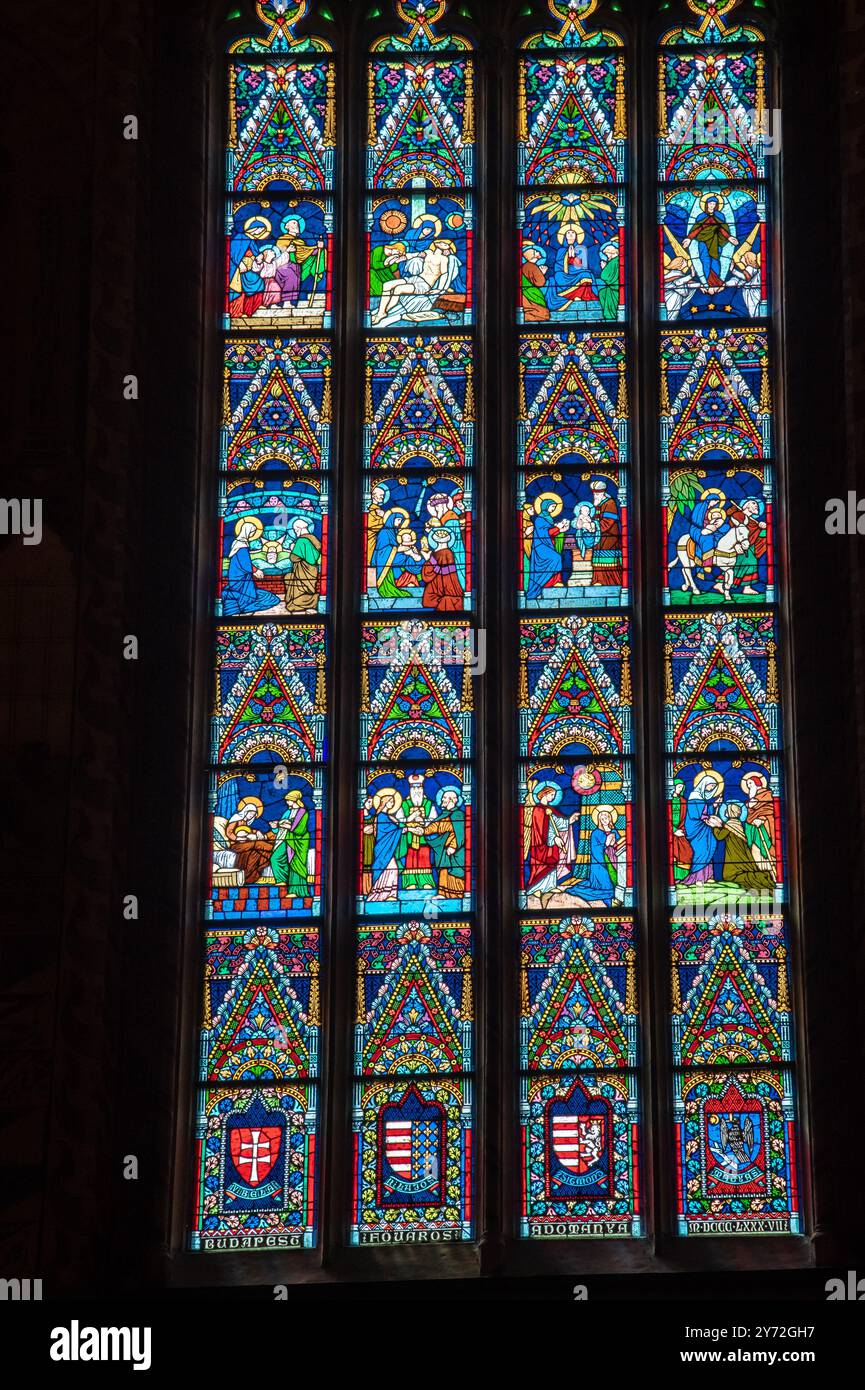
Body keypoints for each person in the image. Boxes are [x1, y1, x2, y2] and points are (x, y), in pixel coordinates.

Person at [371, 239, 460, 327]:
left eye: (446, 244)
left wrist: (439, 289)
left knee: (398, 289)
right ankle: (381, 312)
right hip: (416, 278)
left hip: (425, 284)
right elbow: (415, 255)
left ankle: (382, 313)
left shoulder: (443, 259)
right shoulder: (428, 252)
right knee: (387, 285)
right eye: (442, 242)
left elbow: (444, 274)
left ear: (448, 248)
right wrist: (404, 257)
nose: (442, 243)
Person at [707, 801, 775, 893]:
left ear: (730, 813)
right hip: (741, 855)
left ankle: (762, 878)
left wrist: (714, 826)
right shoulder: (737, 824)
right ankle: (763, 877)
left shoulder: (729, 825)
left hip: (735, 858)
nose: (725, 813)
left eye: (727, 811)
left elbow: (719, 836)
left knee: (731, 875)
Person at [223, 516, 282, 615]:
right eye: (252, 532)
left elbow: (245, 562)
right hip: (240, 576)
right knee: (268, 599)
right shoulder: (241, 546)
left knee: (262, 595)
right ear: (247, 531)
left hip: (238, 574)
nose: (253, 535)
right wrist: (256, 571)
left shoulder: (238, 543)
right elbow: (245, 564)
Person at [680, 770, 724, 885]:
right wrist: (706, 818)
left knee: (709, 849)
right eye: (710, 786)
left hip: (705, 829)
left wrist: (714, 806)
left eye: (713, 787)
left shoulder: (702, 798)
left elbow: (705, 811)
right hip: (696, 829)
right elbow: (694, 814)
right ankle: (697, 877)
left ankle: (708, 876)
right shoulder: (694, 796)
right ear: (704, 784)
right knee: (700, 851)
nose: (711, 789)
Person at [683, 194, 733, 287]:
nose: (712, 206)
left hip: (716, 242)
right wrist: (689, 238)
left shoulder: (720, 216)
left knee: (715, 261)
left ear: (717, 205)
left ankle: (716, 282)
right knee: (705, 261)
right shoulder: (701, 216)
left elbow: (722, 229)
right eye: (710, 203)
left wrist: (729, 237)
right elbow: (697, 229)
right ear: (706, 204)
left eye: (714, 204)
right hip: (703, 243)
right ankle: (708, 283)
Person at [268, 789, 311, 896]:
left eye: (289, 800)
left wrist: (282, 825)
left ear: (295, 800)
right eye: (287, 800)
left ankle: (296, 891)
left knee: (295, 864)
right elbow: (280, 829)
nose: (287, 802)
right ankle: (281, 880)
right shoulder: (287, 812)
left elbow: (299, 829)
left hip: (298, 841)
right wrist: (275, 827)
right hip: (285, 838)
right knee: (275, 858)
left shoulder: (303, 812)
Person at [425, 787, 466, 898]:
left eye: (444, 798)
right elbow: (434, 827)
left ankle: (456, 894)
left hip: (455, 852)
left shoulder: (458, 815)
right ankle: (443, 893)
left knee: (454, 871)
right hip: (443, 849)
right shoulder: (444, 815)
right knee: (444, 870)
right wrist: (421, 830)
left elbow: (460, 833)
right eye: (443, 798)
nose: (442, 800)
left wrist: (453, 846)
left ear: (452, 800)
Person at [525, 495, 568, 600]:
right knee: (556, 558)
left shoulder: (548, 519)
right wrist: (558, 528)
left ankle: (555, 582)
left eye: (554, 507)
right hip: (540, 547)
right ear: (546, 506)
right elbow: (545, 533)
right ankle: (547, 583)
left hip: (547, 545)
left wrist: (561, 530)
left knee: (557, 558)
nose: (553, 509)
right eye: (552, 507)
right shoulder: (539, 520)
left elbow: (550, 533)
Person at [365, 787, 405, 902]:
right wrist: (403, 829)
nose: (392, 803)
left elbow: (396, 829)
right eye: (390, 801)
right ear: (385, 802)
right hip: (383, 847)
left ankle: (390, 894)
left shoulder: (388, 816)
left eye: (393, 801)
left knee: (394, 868)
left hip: (388, 847)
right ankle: (380, 894)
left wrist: (404, 828)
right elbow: (389, 831)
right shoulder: (382, 816)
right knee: (391, 868)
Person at [223, 797, 274, 884]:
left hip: (244, 845)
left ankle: (250, 877)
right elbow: (229, 832)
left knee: (257, 852)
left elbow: (247, 830)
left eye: (253, 814)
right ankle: (273, 849)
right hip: (236, 845)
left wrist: (256, 832)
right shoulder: (236, 819)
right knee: (258, 844)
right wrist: (238, 838)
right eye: (250, 813)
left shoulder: (245, 822)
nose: (251, 816)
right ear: (245, 811)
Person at [399, 772, 436, 892]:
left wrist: (424, 822)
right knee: (410, 860)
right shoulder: (404, 804)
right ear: (410, 789)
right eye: (414, 788)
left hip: (424, 837)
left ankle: (425, 882)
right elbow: (399, 820)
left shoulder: (429, 804)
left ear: (422, 788)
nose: (416, 790)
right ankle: (410, 882)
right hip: (409, 837)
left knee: (425, 860)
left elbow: (434, 820)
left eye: (419, 787)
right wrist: (411, 818)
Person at [282, 516, 321, 612]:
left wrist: (292, 547)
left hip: (304, 573)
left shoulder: (301, 540)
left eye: (295, 530)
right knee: (288, 577)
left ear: (299, 529)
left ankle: (317, 599)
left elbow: (293, 558)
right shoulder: (314, 539)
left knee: (292, 606)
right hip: (312, 570)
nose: (295, 533)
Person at [589, 478, 622, 587]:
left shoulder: (610, 503)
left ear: (603, 493)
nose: (595, 497)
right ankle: (598, 580)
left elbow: (608, 522)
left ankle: (610, 582)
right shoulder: (598, 504)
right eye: (594, 494)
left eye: (597, 494)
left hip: (610, 537)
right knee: (597, 559)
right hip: (599, 537)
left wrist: (594, 526)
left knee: (608, 560)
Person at [421, 528, 464, 611]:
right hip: (436, 584)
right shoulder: (435, 552)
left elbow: (444, 571)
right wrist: (429, 559)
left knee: (432, 600)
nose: (441, 535)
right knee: (428, 599)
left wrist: (429, 559)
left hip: (445, 585)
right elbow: (431, 572)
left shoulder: (447, 553)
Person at [521, 243, 550, 321]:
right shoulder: (531, 266)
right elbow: (540, 283)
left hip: (526, 294)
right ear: (532, 255)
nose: (538, 252)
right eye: (535, 251)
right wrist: (542, 273)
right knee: (543, 314)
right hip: (530, 295)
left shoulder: (526, 265)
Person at [598, 240, 620, 321]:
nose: (607, 256)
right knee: (602, 293)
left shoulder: (613, 262)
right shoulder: (616, 261)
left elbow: (605, 276)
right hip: (614, 287)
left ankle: (610, 316)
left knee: (604, 293)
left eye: (607, 254)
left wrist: (604, 268)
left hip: (615, 288)